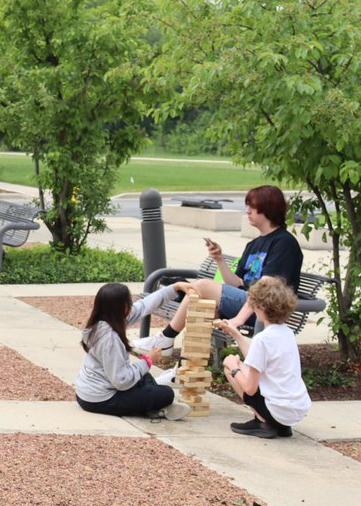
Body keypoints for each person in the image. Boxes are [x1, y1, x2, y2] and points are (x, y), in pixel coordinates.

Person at [134, 185, 302, 355]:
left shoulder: (284, 243)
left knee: (202, 286)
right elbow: (236, 283)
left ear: (268, 208)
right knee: (200, 305)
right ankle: (185, 368)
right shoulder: (254, 244)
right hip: (246, 301)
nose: (247, 210)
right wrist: (219, 259)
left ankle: (166, 338)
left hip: (266, 309)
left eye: (252, 206)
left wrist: (238, 320)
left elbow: (266, 287)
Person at [75, 281, 196, 420]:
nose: (132, 306)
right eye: (129, 303)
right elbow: (120, 381)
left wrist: (176, 287)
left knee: (145, 377)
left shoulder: (106, 321)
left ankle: (156, 408)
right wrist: (148, 360)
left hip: (88, 392)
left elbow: (144, 305)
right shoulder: (110, 340)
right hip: (100, 399)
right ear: (124, 307)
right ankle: (158, 407)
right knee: (166, 394)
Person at [217, 276, 310, 439]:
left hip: (276, 411)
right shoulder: (286, 332)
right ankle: (281, 427)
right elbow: (257, 360)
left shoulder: (262, 339)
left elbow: (250, 388)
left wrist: (233, 367)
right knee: (245, 370)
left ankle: (263, 422)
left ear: (260, 307)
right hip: (295, 412)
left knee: (230, 368)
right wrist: (236, 335)